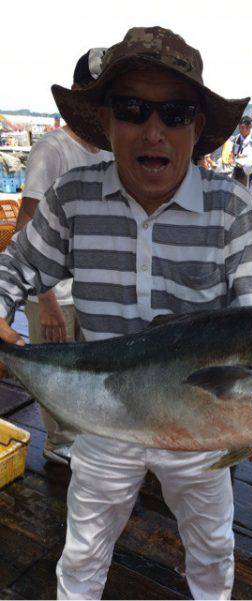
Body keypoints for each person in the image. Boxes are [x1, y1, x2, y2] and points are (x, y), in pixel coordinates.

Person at [0, 26, 252, 600]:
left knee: (212, 544)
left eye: (176, 111)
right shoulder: (74, 197)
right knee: (85, 546)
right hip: (107, 414)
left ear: (197, 129)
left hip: (204, 427)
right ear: (106, 123)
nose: (154, 130)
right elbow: (12, 270)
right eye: (133, 109)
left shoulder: (230, 207)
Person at [15, 47, 113, 466]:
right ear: (76, 95)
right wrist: (47, 301)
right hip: (54, 293)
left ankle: (84, 443)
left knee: (90, 379)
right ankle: (58, 447)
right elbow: (25, 228)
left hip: (94, 292)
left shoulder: (111, 152)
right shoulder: (52, 151)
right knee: (55, 377)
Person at [231, 115, 252, 185]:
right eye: (239, 127)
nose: (240, 130)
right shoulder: (236, 139)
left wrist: (246, 157)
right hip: (236, 170)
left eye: (242, 127)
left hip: (249, 173)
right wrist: (233, 157)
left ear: (249, 127)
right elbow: (232, 153)